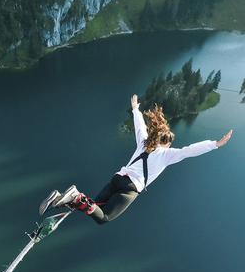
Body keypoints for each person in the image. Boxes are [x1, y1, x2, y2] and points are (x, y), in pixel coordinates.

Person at [39, 94, 233, 224]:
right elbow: (189, 150)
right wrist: (215, 144)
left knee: (94, 206)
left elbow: (140, 126)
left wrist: (135, 109)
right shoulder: (167, 155)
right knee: (104, 217)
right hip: (130, 189)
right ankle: (76, 197)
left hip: (117, 178)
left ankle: (62, 200)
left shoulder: (144, 143)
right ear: (165, 143)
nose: (172, 146)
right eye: (170, 143)